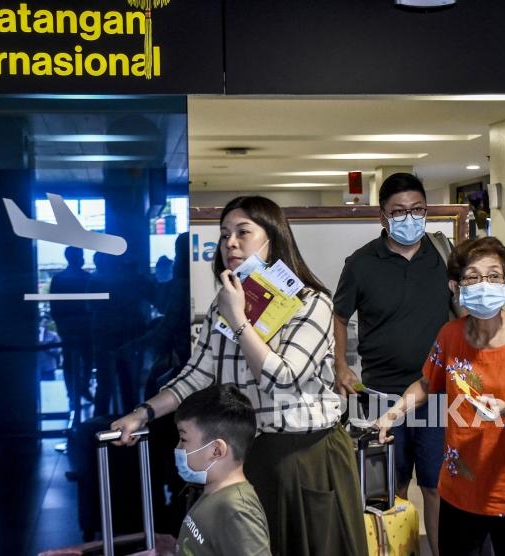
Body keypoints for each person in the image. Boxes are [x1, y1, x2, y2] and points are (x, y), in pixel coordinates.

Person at [112, 196, 368, 556]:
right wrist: (143, 413)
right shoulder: (225, 302)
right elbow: (197, 374)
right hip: (248, 454)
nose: (230, 242)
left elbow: (283, 378)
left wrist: (239, 320)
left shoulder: (311, 302)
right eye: (224, 234)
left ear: (272, 240)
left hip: (304, 456)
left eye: (243, 232)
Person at [376, 236, 505, 556]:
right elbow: (427, 384)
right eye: (472, 277)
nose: (484, 284)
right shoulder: (451, 334)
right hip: (461, 489)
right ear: (456, 287)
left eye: (494, 276)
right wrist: (391, 414)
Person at [332, 172, 451, 554]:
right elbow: (338, 316)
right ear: (382, 216)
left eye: (417, 209)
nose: (410, 217)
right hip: (378, 394)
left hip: (436, 394)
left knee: (436, 485)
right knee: (386, 489)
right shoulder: (361, 263)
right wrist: (340, 366)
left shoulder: (445, 257)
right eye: (399, 211)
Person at [173, 384, 270, 556]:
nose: (178, 448)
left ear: (216, 450)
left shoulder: (237, 511)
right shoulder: (214, 494)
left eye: (183, 439)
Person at [50, 246, 93, 409]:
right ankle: (83, 387)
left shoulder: (59, 278)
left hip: (67, 324)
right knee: (88, 358)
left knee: (69, 360)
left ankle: (72, 393)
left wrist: (60, 323)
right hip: (85, 324)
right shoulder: (87, 277)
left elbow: (54, 304)